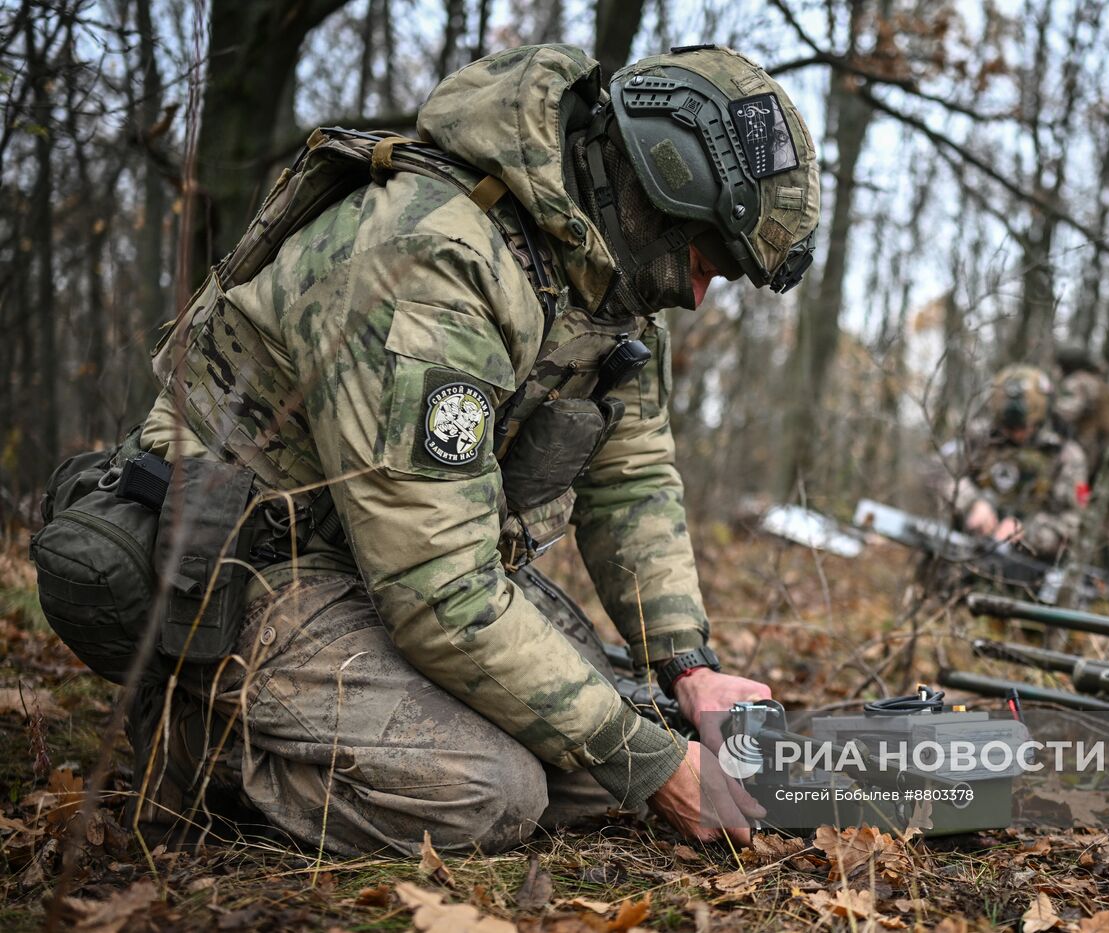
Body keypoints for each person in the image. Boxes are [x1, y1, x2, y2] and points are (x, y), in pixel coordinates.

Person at [131, 44, 820, 855]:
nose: (696, 296)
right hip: (245, 568)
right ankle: (187, 738)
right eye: (702, 264)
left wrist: (687, 668)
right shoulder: (435, 256)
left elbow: (631, 480)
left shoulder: (603, 287)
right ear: (657, 194)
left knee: (609, 740)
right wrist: (655, 764)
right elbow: (442, 591)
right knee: (492, 792)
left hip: (376, 570)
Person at [935, 365, 1089, 560]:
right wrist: (972, 504)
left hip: (1030, 567)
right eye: (1009, 426)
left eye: (1023, 427)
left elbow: (1073, 522)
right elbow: (938, 471)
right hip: (964, 550)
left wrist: (1029, 533)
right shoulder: (979, 437)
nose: (1016, 434)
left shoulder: (1067, 455)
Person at [1052, 346, 1109, 478]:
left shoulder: (1078, 382)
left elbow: (1065, 412)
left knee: (1073, 488)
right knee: (1085, 487)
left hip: (1081, 445)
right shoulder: (1097, 382)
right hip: (1097, 446)